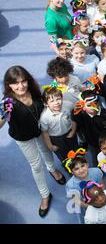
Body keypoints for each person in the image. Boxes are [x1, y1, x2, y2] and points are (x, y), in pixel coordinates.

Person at [0, 66, 66, 217]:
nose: (20, 86)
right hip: (23, 137)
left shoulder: (35, 92)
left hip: (40, 131)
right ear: (9, 85)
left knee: (46, 151)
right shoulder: (7, 102)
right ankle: (45, 195)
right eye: (15, 83)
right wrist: (3, 113)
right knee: (36, 166)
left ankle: (52, 169)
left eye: (23, 81)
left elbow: (47, 104)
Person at [40, 87, 78, 163]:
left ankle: (79, 164)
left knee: (76, 151)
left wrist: (73, 131)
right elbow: (45, 132)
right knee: (64, 157)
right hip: (57, 139)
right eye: (52, 101)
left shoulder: (67, 105)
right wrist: (50, 145)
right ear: (45, 103)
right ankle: (69, 169)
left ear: (62, 98)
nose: (56, 102)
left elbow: (73, 118)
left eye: (58, 99)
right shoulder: (45, 117)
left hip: (70, 133)